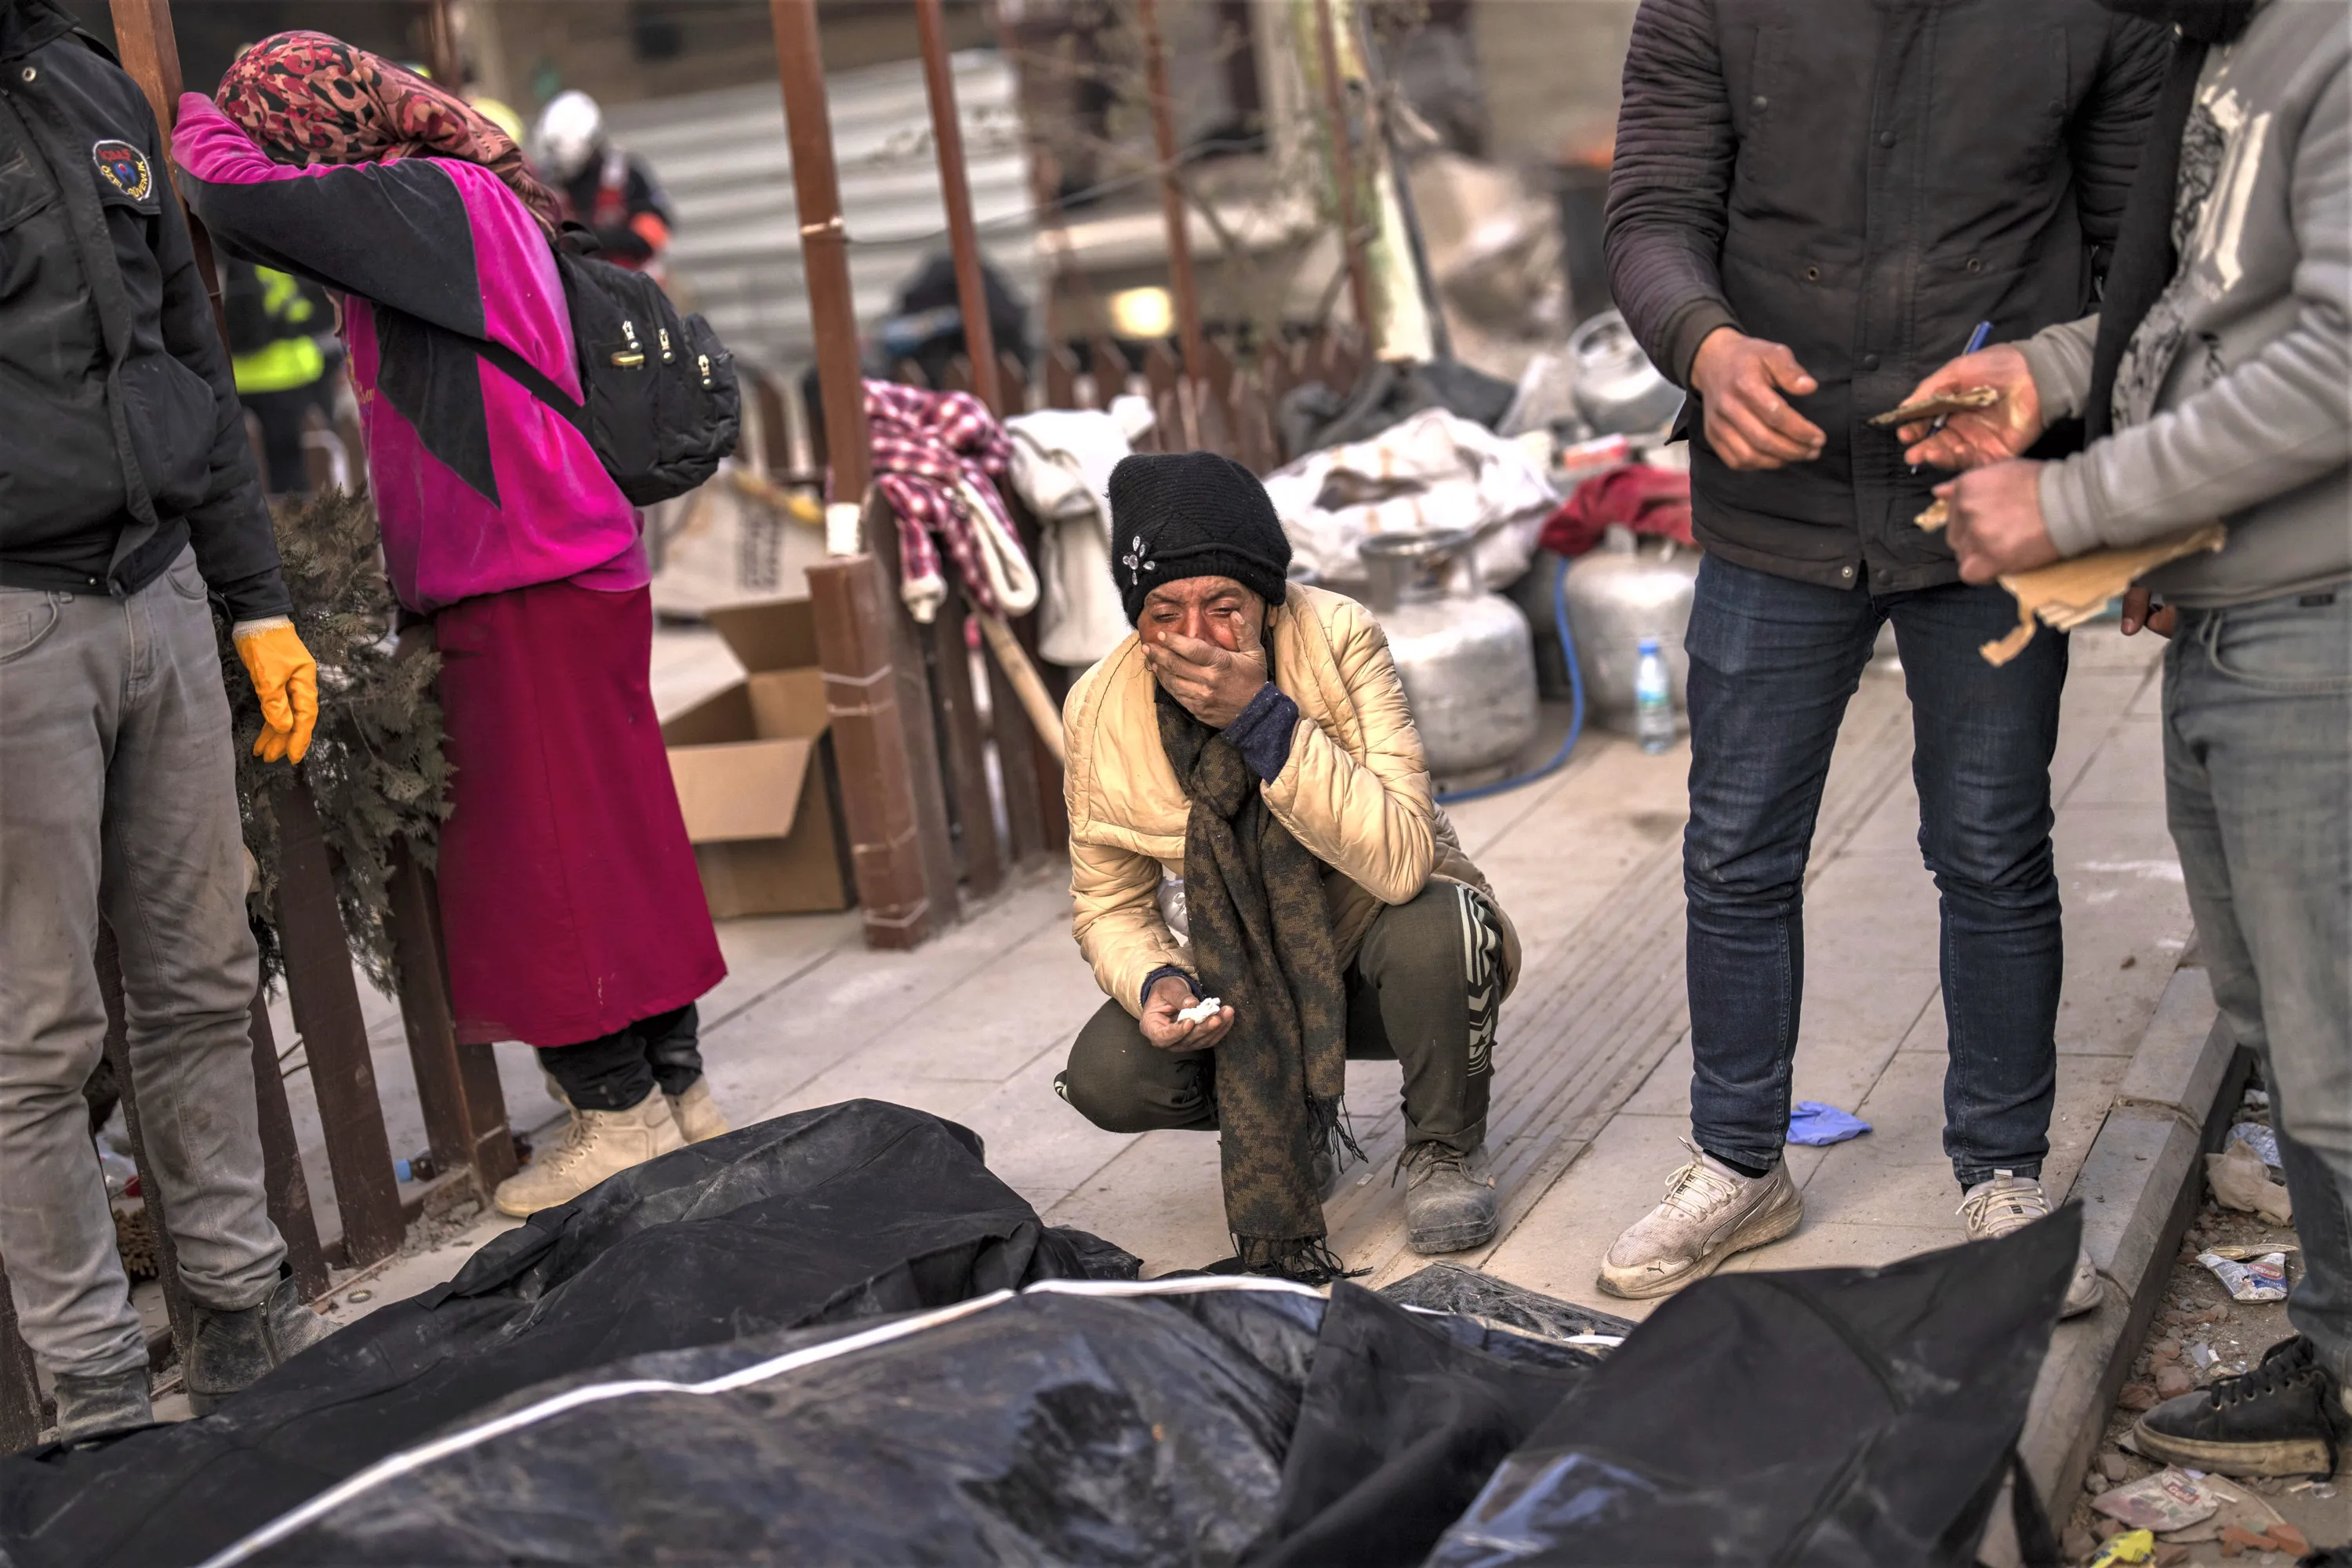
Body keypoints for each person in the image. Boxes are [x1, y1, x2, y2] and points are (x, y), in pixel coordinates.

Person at [1597, 0, 2172, 1309]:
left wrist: (2125, 475)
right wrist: (1704, 343)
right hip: (1777, 500)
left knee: (1992, 846)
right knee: (1736, 848)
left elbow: (2141, 263)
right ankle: (1739, 1162)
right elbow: (1651, 218)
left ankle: (2005, 1174)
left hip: (1989, 501)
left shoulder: (2098, 12)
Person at [173, 32, 733, 1219]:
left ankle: (617, 1118)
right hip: (570, 555)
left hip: (518, 568)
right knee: (618, 832)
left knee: (545, 854)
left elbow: (238, 200)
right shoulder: (470, 191)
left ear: (317, 130)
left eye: (281, 132)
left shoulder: (422, 201)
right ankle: (679, 1090)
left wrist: (189, 114)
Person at [1911, 0, 2347, 1476]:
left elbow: (2338, 359)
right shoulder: (2221, 45)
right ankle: (2341, 1364)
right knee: (2298, 1052)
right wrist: (2052, 372)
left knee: (2341, 1069)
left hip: (2322, 642)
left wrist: (2075, 502)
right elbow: (2212, 315)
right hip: (2235, 625)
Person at [0, 0, 331, 1439]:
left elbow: (189, 350)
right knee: (37, 1032)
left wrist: (255, 601)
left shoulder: (87, 84)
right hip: (13, 624)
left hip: (166, 590)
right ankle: (94, 1390)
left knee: (203, 977)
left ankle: (247, 1318)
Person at [1053, 452, 1519, 1273]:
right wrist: (1159, 981)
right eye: (1164, 612)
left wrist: (1264, 720)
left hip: (1371, 941)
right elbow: (1108, 903)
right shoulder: (1097, 706)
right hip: (1245, 974)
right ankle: (1287, 1121)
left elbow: (1401, 858)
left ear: (1268, 602)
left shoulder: (1340, 636)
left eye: (1224, 608)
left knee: (1441, 927)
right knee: (1109, 1073)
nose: (1194, 638)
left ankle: (1444, 1148)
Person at [223, 256, 339, 496]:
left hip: (236, 382)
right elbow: (305, 312)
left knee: (251, 482)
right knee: (295, 486)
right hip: (287, 380)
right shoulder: (275, 252)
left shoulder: (220, 251)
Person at [529, 89, 675, 278]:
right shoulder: (547, 183)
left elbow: (653, 234)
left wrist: (592, 238)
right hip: (576, 286)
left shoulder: (625, 176)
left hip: (632, 284)